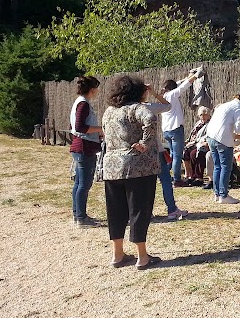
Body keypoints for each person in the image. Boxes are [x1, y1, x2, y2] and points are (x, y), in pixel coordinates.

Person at [102, 75, 162, 269]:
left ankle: (117, 255)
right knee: (139, 210)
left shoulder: (109, 112)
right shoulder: (137, 109)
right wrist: (145, 143)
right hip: (138, 167)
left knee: (116, 212)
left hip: (111, 167)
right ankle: (142, 257)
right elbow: (151, 119)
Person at [143, 87, 188, 221]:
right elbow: (167, 105)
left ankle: (146, 211)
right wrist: (154, 93)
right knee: (165, 180)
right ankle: (171, 209)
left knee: (146, 183)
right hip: (155, 148)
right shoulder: (147, 107)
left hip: (139, 151)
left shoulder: (124, 109)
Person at [206, 92, 240, 204]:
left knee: (217, 166)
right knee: (225, 167)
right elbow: (238, 128)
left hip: (211, 136)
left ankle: (217, 194)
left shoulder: (224, 105)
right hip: (223, 139)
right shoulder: (239, 108)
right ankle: (223, 195)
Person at [69, 76, 103, 228]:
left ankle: (78, 214)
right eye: (96, 88)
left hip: (81, 145)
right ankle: (81, 218)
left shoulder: (80, 102)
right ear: (92, 89)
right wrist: (101, 129)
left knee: (79, 183)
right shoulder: (83, 104)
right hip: (83, 146)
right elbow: (80, 127)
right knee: (84, 183)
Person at [161, 71, 198, 186]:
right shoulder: (172, 95)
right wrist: (196, 75)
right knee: (177, 155)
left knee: (172, 154)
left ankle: (165, 175)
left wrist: (186, 78)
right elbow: (184, 86)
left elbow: (179, 83)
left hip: (166, 130)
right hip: (175, 128)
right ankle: (177, 179)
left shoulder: (163, 97)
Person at [179, 106, 212, 187]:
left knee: (194, 154)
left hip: (203, 144)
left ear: (208, 115)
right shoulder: (198, 123)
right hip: (194, 143)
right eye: (201, 115)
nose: (203, 117)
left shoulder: (210, 124)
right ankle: (190, 175)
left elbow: (207, 136)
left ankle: (199, 177)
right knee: (186, 152)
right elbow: (193, 134)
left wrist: (195, 142)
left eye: (205, 115)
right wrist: (188, 140)